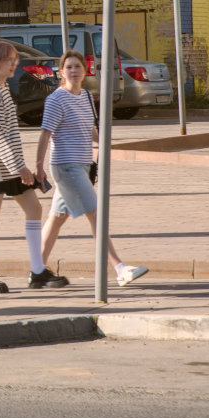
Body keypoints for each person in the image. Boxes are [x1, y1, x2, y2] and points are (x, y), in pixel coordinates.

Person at [35, 49, 148, 286]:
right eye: (69, 67)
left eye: (77, 67)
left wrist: (107, 144)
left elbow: (91, 130)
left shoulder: (85, 96)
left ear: (84, 72)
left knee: (56, 218)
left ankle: (37, 271)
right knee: (96, 214)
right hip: (66, 167)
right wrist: (39, 167)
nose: (74, 71)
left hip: (83, 165)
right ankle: (120, 269)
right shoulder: (56, 99)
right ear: (61, 72)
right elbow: (45, 134)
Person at [0, 39, 69, 291]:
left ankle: (37, 271)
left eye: (16, 60)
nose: (15, 64)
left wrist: (19, 166)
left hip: (10, 166)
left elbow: (9, 134)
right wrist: (21, 168)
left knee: (34, 210)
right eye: (9, 61)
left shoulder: (2, 89)